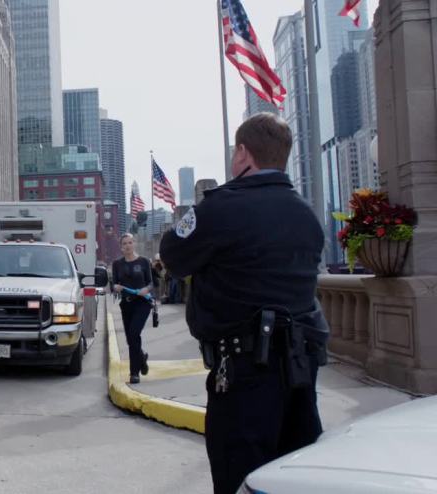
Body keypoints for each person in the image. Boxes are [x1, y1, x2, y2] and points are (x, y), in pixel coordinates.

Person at [159, 113, 329, 494]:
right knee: (293, 481)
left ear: (242, 153)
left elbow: (172, 255)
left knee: (240, 479)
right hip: (301, 374)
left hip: (244, 375)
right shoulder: (307, 216)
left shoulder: (221, 208)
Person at [111, 233, 154, 384]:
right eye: (125, 243)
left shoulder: (144, 261)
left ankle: (134, 373)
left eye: (130, 242)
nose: (128, 246)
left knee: (134, 333)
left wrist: (146, 289)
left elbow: (151, 283)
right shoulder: (117, 264)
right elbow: (114, 284)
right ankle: (141, 358)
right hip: (126, 304)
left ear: (134, 244)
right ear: (121, 247)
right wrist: (115, 287)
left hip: (142, 303)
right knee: (131, 339)